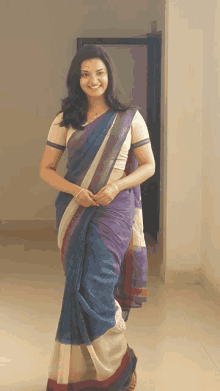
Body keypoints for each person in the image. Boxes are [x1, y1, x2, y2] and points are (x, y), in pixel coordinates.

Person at [39, 44, 155, 391]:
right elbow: (46, 170)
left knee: (96, 290)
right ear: (77, 79)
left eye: (100, 73)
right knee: (77, 291)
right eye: (86, 74)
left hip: (113, 213)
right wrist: (75, 191)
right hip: (75, 213)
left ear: (109, 75)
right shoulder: (65, 119)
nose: (94, 80)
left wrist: (117, 186)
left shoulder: (129, 118)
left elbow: (148, 165)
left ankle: (120, 365)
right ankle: (85, 373)